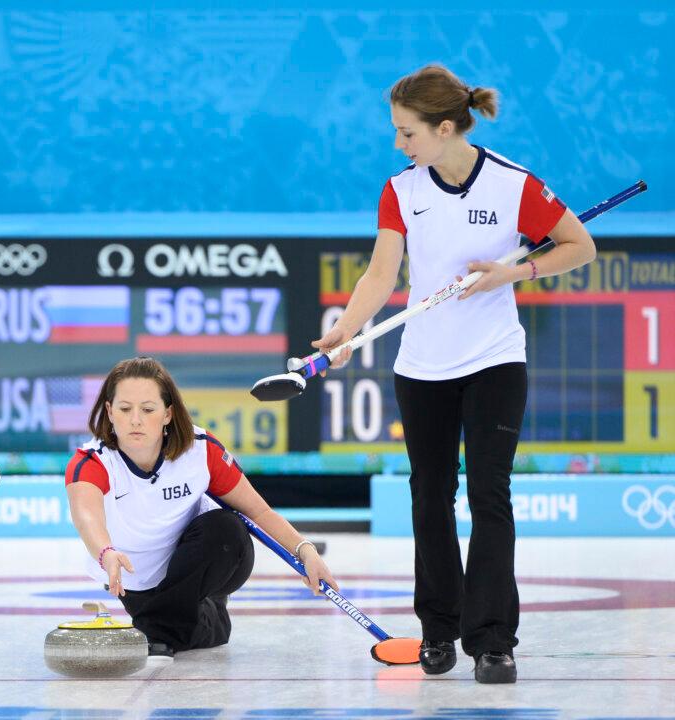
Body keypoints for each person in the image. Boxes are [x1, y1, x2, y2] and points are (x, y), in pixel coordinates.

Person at [312, 65, 596, 684]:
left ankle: (493, 641)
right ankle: (438, 630)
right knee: (430, 495)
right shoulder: (400, 189)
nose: (398, 144)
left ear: (444, 128)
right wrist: (346, 331)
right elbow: (381, 273)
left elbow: (580, 246)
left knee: (490, 494)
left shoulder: (514, 184)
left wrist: (512, 273)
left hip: (495, 360)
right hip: (422, 367)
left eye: (407, 132)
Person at [65, 357, 337, 656]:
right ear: (109, 411)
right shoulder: (91, 461)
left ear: (167, 414)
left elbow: (258, 512)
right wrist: (106, 552)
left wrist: (306, 551)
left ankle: (166, 622)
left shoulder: (201, 450)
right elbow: (86, 515)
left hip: (201, 559)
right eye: (125, 409)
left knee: (227, 528)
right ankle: (198, 618)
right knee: (176, 631)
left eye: (148, 409)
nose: (135, 420)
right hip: (137, 580)